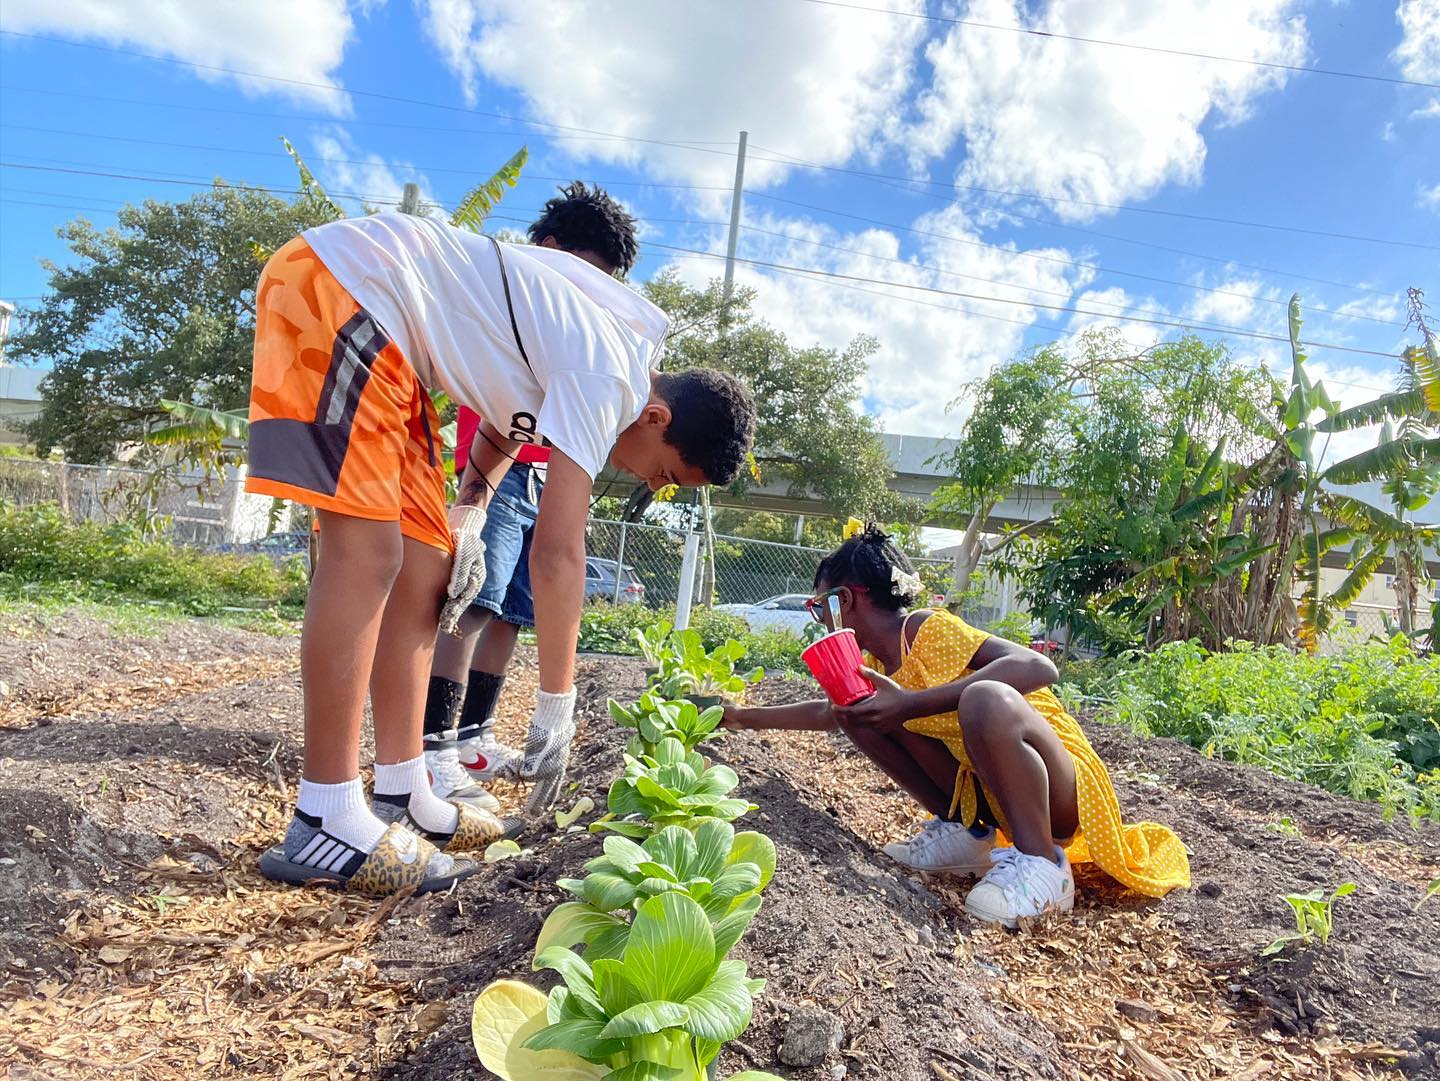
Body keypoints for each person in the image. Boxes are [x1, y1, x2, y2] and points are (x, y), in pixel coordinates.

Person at [244, 205, 756, 895]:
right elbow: (559, 552)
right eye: (662, 471)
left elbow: (512, 410)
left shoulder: (615, 362)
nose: (646, 478)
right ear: (657, 420)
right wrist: (556, 702)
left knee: (428, 564)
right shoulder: (616, 379)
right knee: (367, 555)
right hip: (346, 292)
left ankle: (402, 788)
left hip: (398, 342)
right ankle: (325, 815)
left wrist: (471, 507)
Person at [722, 524, 1189, 926]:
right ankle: (968, 836)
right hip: (989, 790)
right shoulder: (870, 663)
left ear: (846, 599)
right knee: (855, 712)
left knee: (984, 699)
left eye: (820, 605)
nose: (820, 618)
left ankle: (1045, 865)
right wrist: (738, 717)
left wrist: (911, 704)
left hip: (1056, 789)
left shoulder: (928, 629)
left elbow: (1037, 667)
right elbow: (828, 714)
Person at [421, 184, 640, 813]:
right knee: (470, 601)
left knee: (513, 611)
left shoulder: (574, 328)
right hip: (503, 473)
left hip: (550, 478)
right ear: (549, 250)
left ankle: (473, 737)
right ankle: (433, 747)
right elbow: (501, 419)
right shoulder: (514, 303)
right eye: (588, 274)